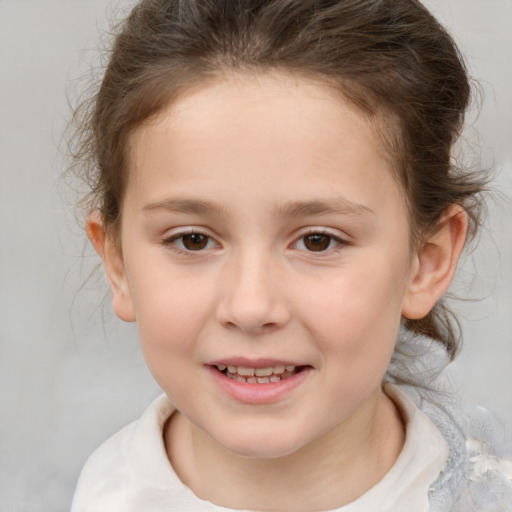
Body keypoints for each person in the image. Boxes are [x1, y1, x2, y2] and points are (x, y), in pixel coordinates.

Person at [69, 0, 512, 510]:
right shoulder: (103, 495)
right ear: (118, 264)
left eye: (318, 240)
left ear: (426, 260)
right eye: (192, 240)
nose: (251, 307)